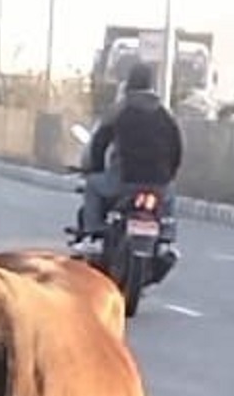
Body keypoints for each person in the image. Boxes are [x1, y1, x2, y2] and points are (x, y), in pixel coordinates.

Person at [73, 61, 183, 255]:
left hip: (124, 180)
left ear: (129, 83)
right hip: (159, 182)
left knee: (92, 186)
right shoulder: (165, 113)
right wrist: (169, 175)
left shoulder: (119, 109)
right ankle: (167, 239)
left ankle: (94, 235)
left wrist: (95, 169)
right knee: (169, 198)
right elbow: (177, 148)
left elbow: (99, 143)